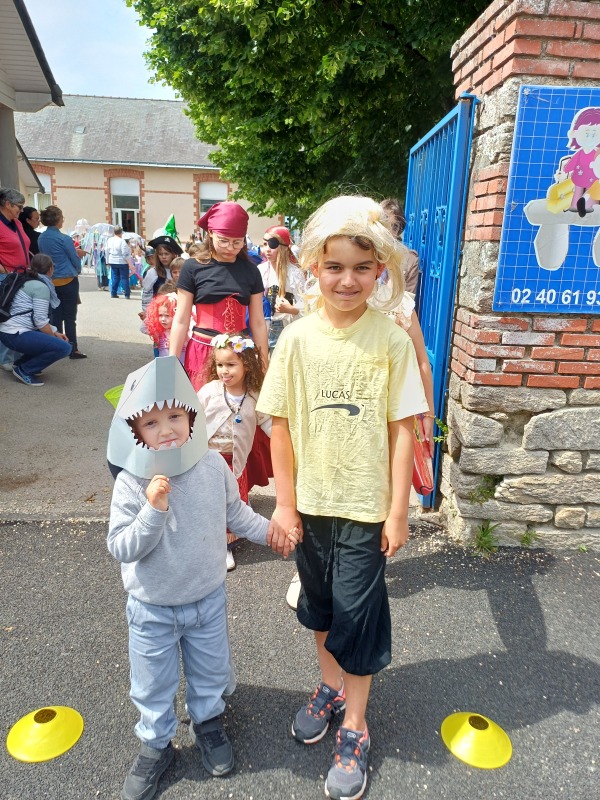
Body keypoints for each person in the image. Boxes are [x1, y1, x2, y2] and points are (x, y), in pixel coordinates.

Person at [256, 195, 428, 800]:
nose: (347, 280)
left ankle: (355, 723)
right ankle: (330, 686)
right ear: (312, 267)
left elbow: (403, 430)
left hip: (365, 509)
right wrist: (283, 504)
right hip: (310, 505)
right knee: (322, 608)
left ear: (381, 269)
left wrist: (398, 511)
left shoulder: (391, 341)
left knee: (357, 615)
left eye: (361, 267)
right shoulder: (297, 339)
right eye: (334, 267)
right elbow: (279, 426)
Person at [107, 356, 297, 800]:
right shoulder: (132, 482)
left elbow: (236, 514)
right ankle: (156, 744)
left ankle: (208, 721)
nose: (167, 430)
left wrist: (273, 533)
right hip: (152, 606)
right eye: (151, 423)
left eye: (175, 416)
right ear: (134, 431)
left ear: (193, 416)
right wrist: (153, 510)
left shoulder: (212, 466)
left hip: (206, 598)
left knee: (210, 669)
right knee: (152, 682)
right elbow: (121, 547)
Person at [168, 201, 268, 391]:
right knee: (200, 406)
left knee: (238, 407)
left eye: (237, 242)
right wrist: (171, 361)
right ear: (211, 233)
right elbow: (181, 320)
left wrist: (264, 363)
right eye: (224, 241)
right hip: (202, 352)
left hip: (240, 355)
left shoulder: (251, 270)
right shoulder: (192, 267)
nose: (230, 247)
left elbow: (258, 322)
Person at [198, 332, 272, 571]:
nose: (224, 371)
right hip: (207, 460)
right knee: (211, 501)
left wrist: (285, 439)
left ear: (246, 365)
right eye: (220, 365)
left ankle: (227, 543)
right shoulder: (210, 391)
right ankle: (215, 543)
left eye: (231, 364)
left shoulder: (254, 396)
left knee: (232, 502)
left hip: (236, 462)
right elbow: (192, 417)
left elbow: (268, 422)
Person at [0, 253, 72, 386]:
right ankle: (24, 370)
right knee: (64, 348)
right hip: (15, 334)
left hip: (7, 331)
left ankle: (20, 363)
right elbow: (40, 321)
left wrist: (54, 332)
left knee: (51, 340)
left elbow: (37, 319)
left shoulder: (25, 279)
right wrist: (54, 337)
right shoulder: (41, 287)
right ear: (50, 269)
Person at [38, 205, 87, 359]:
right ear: (58, 219)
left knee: (55, 316)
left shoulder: (41, 238)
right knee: (70, 317)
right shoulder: (64, 238)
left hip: (51, 280)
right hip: (68, 279)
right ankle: (73, 349)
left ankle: (58, 347)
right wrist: (77, 269)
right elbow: (74, 258)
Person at [259, 225, 305, 351]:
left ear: (283, 247)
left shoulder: (295, 274)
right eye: (264, 244)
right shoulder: (261, 270)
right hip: (262, 326)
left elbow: (307, 306)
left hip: (286, 328)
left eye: (272, 245)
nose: (267, 249)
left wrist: (291, 309)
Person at [0, 188, 31, 371]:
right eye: (19, 206)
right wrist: (4, 270)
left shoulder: (17, 223)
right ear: (7, 204)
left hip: (20, 277)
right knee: (6, 318)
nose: (21, 210)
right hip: (6, 278)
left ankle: (16, 355)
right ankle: (5, 358)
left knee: (19, 316)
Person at [380, 198, 420, 294]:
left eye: (395, 227)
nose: (388, 231)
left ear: (398, 232)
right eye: (384, 223)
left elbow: (408, 299)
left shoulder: (409, 261)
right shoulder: (362, 252)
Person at [141, 235, 182, 318]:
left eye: (166, 254)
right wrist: (147, 312)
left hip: (176, 312)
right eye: (160, 254)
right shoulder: (153, 272)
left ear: (173, 254)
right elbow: (147, 293)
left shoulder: (179, 271)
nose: (163, 257)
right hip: (158, 313)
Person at [144, 292, 188, 362]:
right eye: (160, 315)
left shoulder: (185, 333)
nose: (163, 319)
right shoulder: (160, 332)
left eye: (167, 315)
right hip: (163, 365)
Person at [105, 226, 132, 299]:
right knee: (124, 278)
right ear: (121, 233)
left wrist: (107, 262)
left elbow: (106, 251)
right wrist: (129, 263)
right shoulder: (122, 241)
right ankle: (127, 294)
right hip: (122, 261)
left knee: (115, 277)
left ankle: (113, 293)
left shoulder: (109, 240)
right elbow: (125, 254)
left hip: (112, 260)